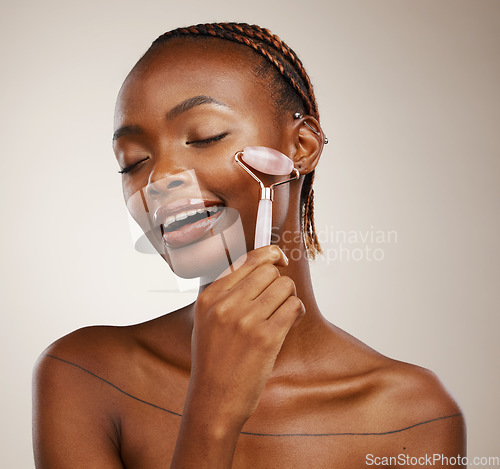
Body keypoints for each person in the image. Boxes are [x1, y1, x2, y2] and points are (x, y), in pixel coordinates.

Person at [33, 22, 465, 468]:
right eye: (133, 162)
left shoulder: (414, 416)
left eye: (204, 136)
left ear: (301, 146)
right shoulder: (84, 375)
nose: (158, 179)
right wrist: (213, 407)